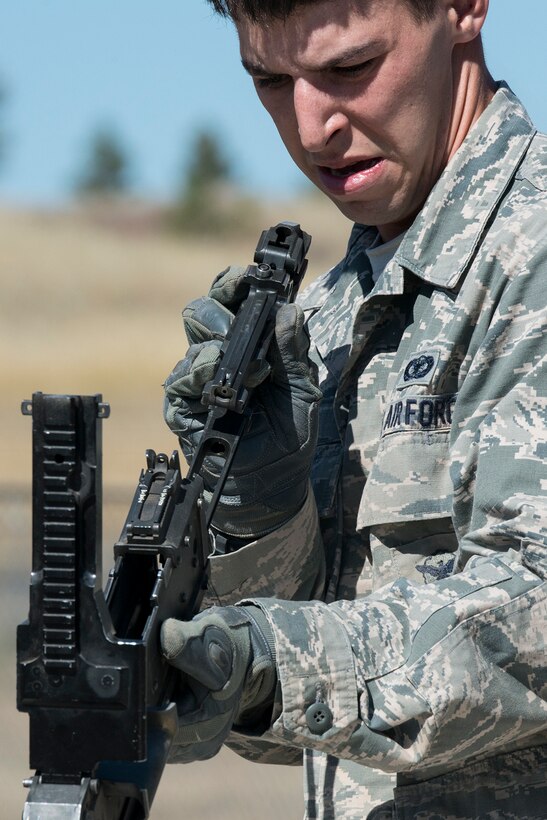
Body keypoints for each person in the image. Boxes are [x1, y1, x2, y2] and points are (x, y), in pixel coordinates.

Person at [161, 1, 547, 817]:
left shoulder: (533, 256)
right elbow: (283, 731)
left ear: (464, 10)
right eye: (270, 80)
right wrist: (259, 518)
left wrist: (274, 656)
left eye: (348, 69)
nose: (310, 129)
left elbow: (534, 619)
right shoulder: (338, 312)